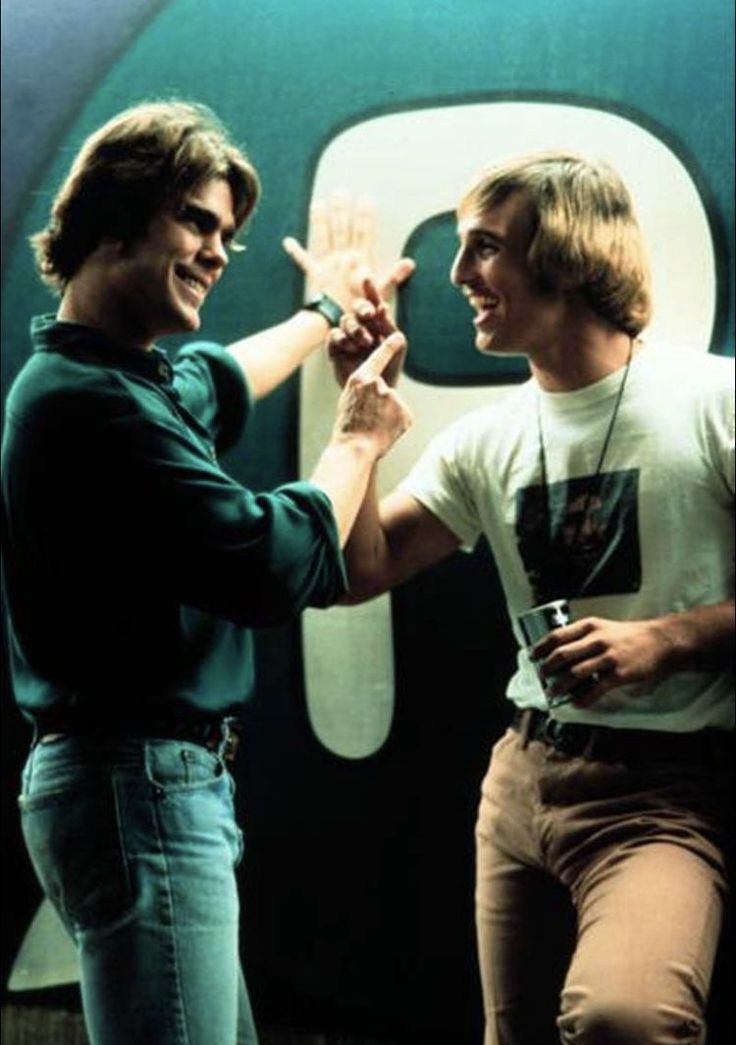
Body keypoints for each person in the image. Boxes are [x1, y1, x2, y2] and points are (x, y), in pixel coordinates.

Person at [1, 100, 414, 1045]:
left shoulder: (107, 379)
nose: (219, 250)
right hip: (138, 787)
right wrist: (355, 441)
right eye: (196, 220)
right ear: (113, 218)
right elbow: (278, 564)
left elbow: (216, 377)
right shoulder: (94, 404)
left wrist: (325, 309)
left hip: (143, 786)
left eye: (226, 231)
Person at [324, 152, 734, 1044]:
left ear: (566, 254)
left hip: (663, 792)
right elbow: (362, 570)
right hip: (520, 785)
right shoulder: (487, 439)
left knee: (624, 1021)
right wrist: (359, 420)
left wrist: (668, 639)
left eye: (483, 247)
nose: (459, 273)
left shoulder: (713, 400)